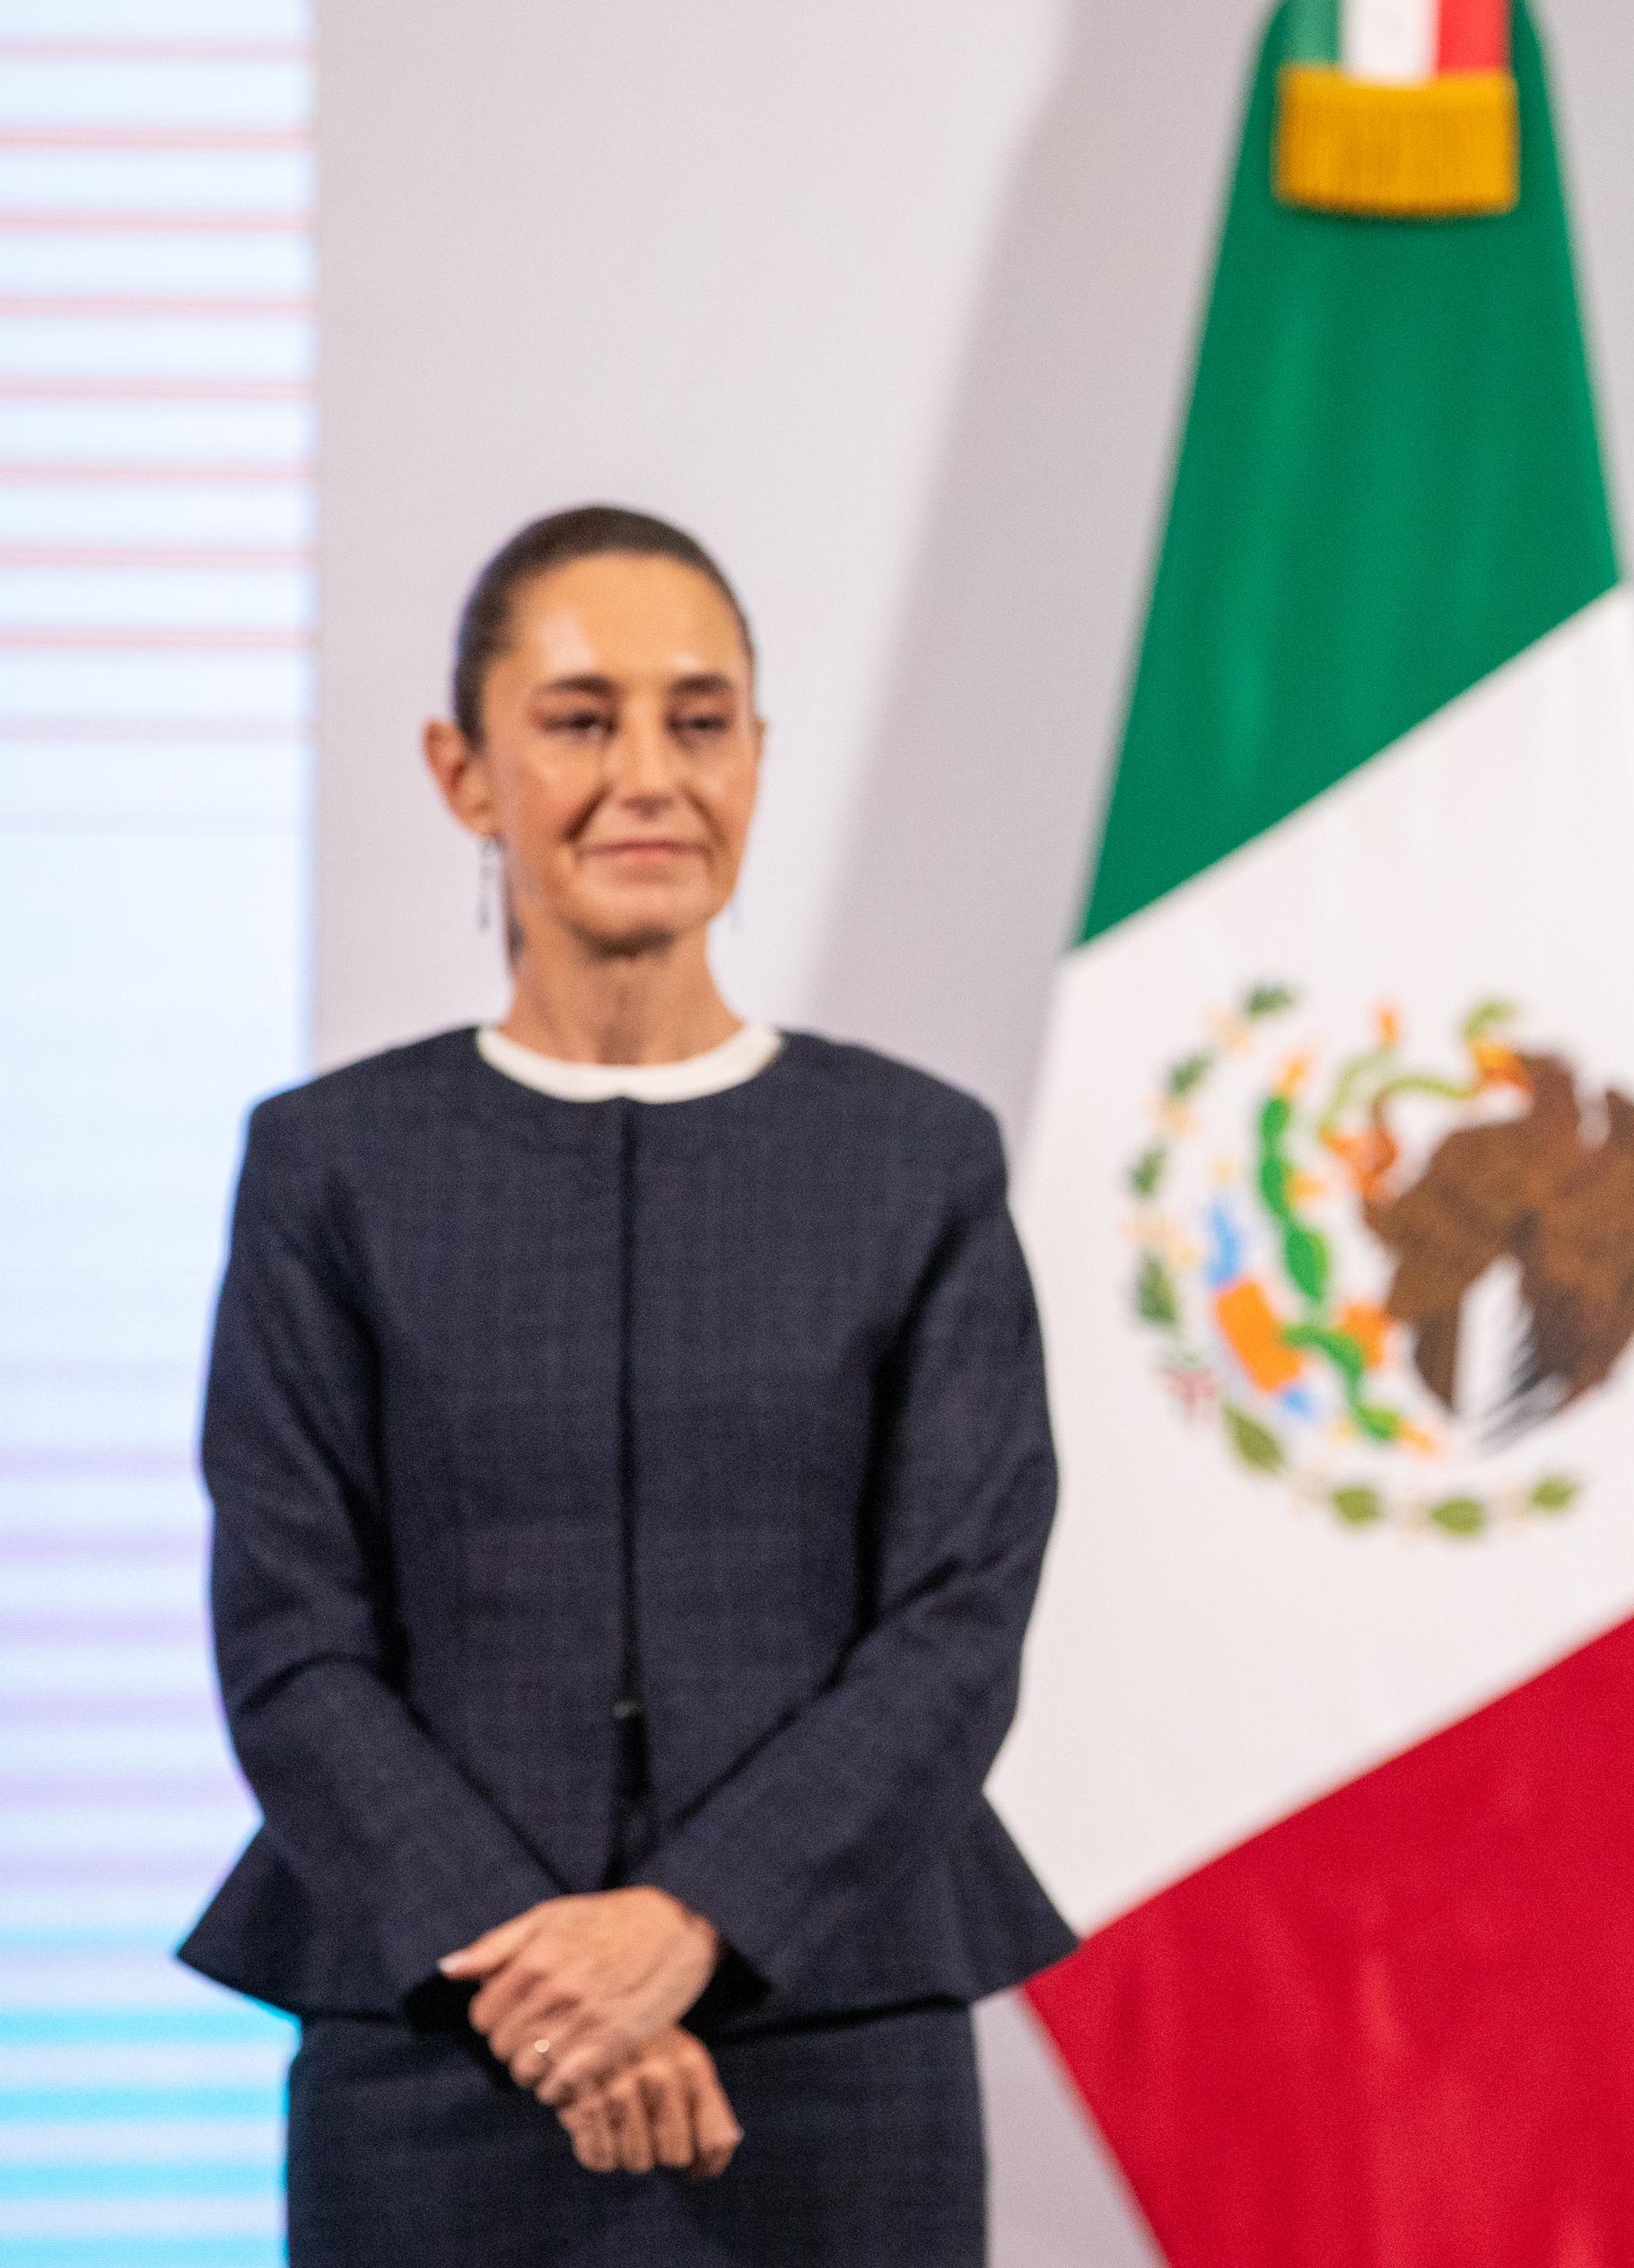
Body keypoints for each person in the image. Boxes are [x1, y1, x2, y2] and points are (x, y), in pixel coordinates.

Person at [180, 505, 1074, 2263]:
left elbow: (960, 1618)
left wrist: (688, 1928)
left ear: (757, 758)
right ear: (463, 771)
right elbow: (291, 1637)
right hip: (440, 2045)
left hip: (833, 2048)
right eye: (581, 720)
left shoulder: (915, 1159)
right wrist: (553, 1981)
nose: (648, 775)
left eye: (700, 719)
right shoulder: (331, 1166)